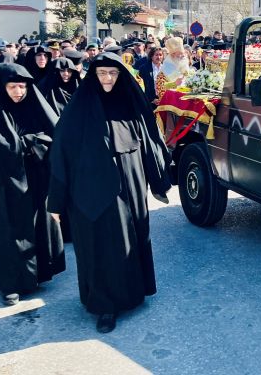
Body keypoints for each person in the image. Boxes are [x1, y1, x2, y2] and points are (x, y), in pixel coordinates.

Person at [48, 53, 171, 333]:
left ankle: (133, 293)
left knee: (131, 239)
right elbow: (61, 156)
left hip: (130, 185)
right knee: (100, 246)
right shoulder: (77, 110)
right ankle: (105, 306)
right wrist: (56, 200)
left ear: (120, 76)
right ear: (93, 75)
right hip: (90, 190)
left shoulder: (129, 104)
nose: (107, 79)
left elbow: (150, 140)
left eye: (113, 74)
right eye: (102, 73)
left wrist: (159, 181)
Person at [0, 63, 65, 305]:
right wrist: (23, 143)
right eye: (13, 86)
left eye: (23, 86)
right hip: (1, 184)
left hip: (34, 179)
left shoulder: (32, 107)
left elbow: (53, 134)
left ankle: (37, 273)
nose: (19, 92)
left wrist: (32, 142)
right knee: (6, 229)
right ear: (0, 88)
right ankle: (9, 283)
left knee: (35, 223)